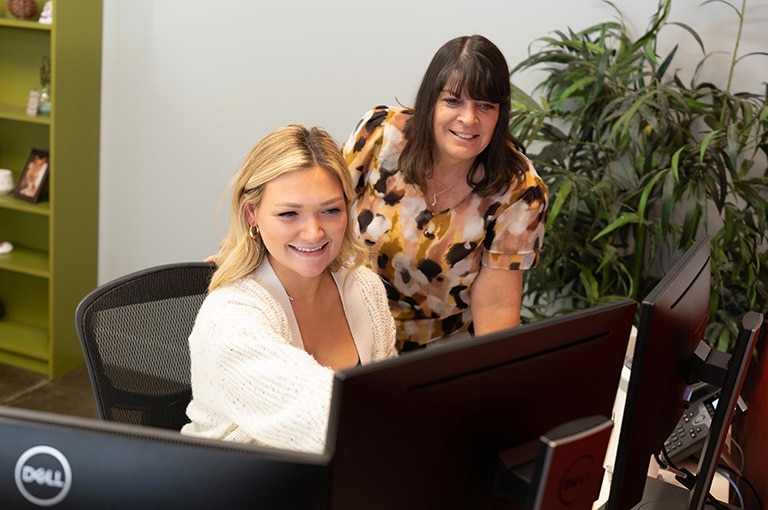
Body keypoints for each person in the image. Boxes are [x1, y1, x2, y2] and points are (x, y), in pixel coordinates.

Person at [182, 125, 397, 454]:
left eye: (330, 210)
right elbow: (333, 419)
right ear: (252, 214)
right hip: (232, 487)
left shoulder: (363, 287)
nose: (313, 233)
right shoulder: (229, 319)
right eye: (288, 214)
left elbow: (390, 393)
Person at [342, 35, 548, 352]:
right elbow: (324, 216)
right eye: (453, 101)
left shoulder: (519, 189)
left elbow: (495, 309)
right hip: (348, 322)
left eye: (485, 105)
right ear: (430, 103)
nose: (469, 119)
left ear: (501, 113)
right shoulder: (382, 136)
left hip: (440, 347)